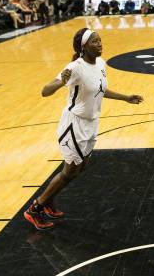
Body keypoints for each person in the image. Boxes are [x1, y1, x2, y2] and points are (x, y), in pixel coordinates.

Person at [24, 28, 144, 230]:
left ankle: (49, 201)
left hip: (91, 123)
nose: (100, 44)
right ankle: (35, 209)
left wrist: (125, 97)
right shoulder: (75, 67)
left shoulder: (100, 63)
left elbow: (100, 90)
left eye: (100, 40)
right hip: (74, 124)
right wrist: (61, 81)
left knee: (81, 167)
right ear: (84, 47)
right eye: (95, 42)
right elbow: (45, 91)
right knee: (70, 168)